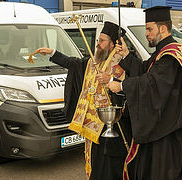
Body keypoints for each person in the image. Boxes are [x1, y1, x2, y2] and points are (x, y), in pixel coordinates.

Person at [107, 6, 182, 179]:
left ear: (163, 28)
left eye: (149, 29)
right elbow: (146, 70)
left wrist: (122, 86)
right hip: (162, 124)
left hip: (168, 131)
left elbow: (153, 83)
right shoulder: (164, 51)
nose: (146, 34)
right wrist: (127, 56)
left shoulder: (172, 55)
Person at [34, 22, 129, 180]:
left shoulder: (122, 64)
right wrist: (53, 53)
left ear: (112, 44)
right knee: (94, 163)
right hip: (91, 128)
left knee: (109, 167)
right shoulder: (92, 62)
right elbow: (73, 63)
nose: (97, 44)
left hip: (113, 128)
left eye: (102, 41)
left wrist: (111, 81)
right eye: (98, 40)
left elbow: (129, 90)